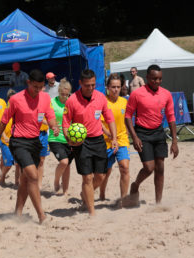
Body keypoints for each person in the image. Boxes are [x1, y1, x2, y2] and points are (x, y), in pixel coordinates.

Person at [0, 69, 59, 224]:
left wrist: (54, 127)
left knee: (25, 180)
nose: (38, 90)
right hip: (18, 142)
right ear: (28, 83)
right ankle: (42, 216)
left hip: (35, 141)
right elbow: (3, 121)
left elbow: (51, 116)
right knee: (33, 177)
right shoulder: (16, 99)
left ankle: (17, 213)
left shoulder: (45, 98)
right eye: (35, 87)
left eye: (41, 87)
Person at [62, 69, 118, 216]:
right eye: (87, 85)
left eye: (93, 85)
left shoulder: (100, 98)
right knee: (87, 177)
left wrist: (114, 138)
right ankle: (91, 212)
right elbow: (66, 124)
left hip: (98, 140)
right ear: (80, 83)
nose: (91, 88)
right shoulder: (72, 100)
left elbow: (110, 119)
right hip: (81, 143)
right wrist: (70, 140)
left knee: (100, 176)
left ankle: (85, 194)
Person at [125, 64, 179, 204]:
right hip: (142, 133)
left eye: (160, 79)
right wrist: (135, 137)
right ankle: (135, 185)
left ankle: (158, 203)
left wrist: (174, 141)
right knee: (149, 168)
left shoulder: (166, 94)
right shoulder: (137, 93)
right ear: (147, 77)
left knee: (160, 167)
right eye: (154, 78)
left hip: (158, 132)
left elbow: (171, 118)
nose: (157, 81)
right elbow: (128, 116)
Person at [99, 74, 130, 203]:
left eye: (118, 87)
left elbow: (127, 120)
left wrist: (128, 132)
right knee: (105, 172)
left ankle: (123, 200)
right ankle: (101, 193)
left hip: (121, 139)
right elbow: (98, 122)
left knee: (124, 167)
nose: (116, 89)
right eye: (113, 87)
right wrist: (109, 134)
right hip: (106, 140)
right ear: (107, 87)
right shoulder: (102, 101)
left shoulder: (124, 101)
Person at [48, 78, 73, 195]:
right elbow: (42, 118)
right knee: (63, 162)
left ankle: (66, 191)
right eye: (62, 94)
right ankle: (56, 181)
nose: (64, 97)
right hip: (55, 138)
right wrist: (53, 125)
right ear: (58, 92)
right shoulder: (52, 102)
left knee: (67, 165)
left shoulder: (71, 102)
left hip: (69, 138)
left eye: (67, 94)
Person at [0, 89, 21, 186]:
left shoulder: (19, 111)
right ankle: (2, 178)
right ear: (8, 100)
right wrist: (4, 136)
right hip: (5, 141)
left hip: (16, 141)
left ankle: (17, 182)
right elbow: (0, 125)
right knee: (8, 166)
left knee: (18, 164)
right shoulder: (4, 111)